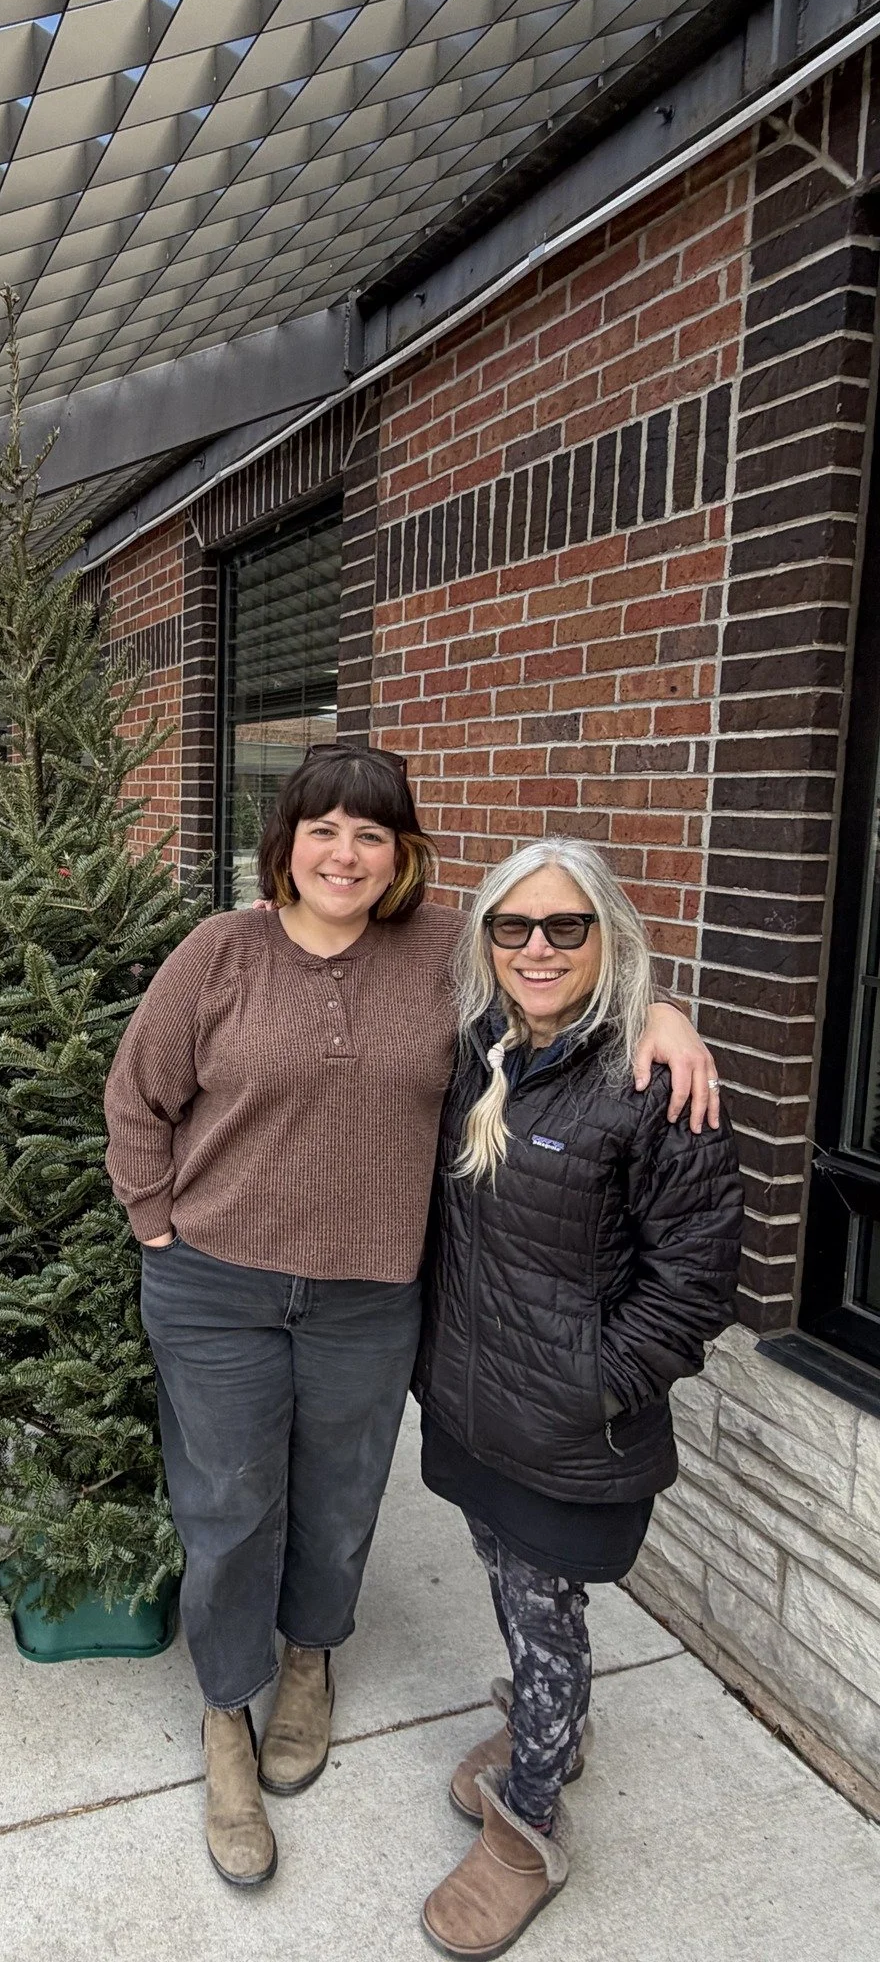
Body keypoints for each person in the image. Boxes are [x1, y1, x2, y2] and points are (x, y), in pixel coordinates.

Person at [102, 744, 718, 1889]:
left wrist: (665, 1014)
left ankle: (309, 1663)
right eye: (323, 827)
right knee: (229, 1502)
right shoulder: (220, 951)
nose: (345, 851)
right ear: (284, 842)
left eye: (371, 833)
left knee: (338, 1503)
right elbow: (138, 1092)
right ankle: (226, 1715)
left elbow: (562, 979)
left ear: (402, 853)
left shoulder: (443, 954)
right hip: (217, 1285)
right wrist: (153, 1220)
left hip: (372, 1290)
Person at [416, 838, 740, 1959]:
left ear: (610, 934)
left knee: (544, 1616)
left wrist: (593, 1385)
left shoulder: (651, 1082)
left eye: (567, 925)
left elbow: (695, 1276)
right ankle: (553, 1730)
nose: (539, 946)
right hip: (467, 1405)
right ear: (486, 942)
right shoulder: (474, 1048)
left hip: (566, 1426)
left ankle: (531, 1823)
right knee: (517, 1598)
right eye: (515, 926)